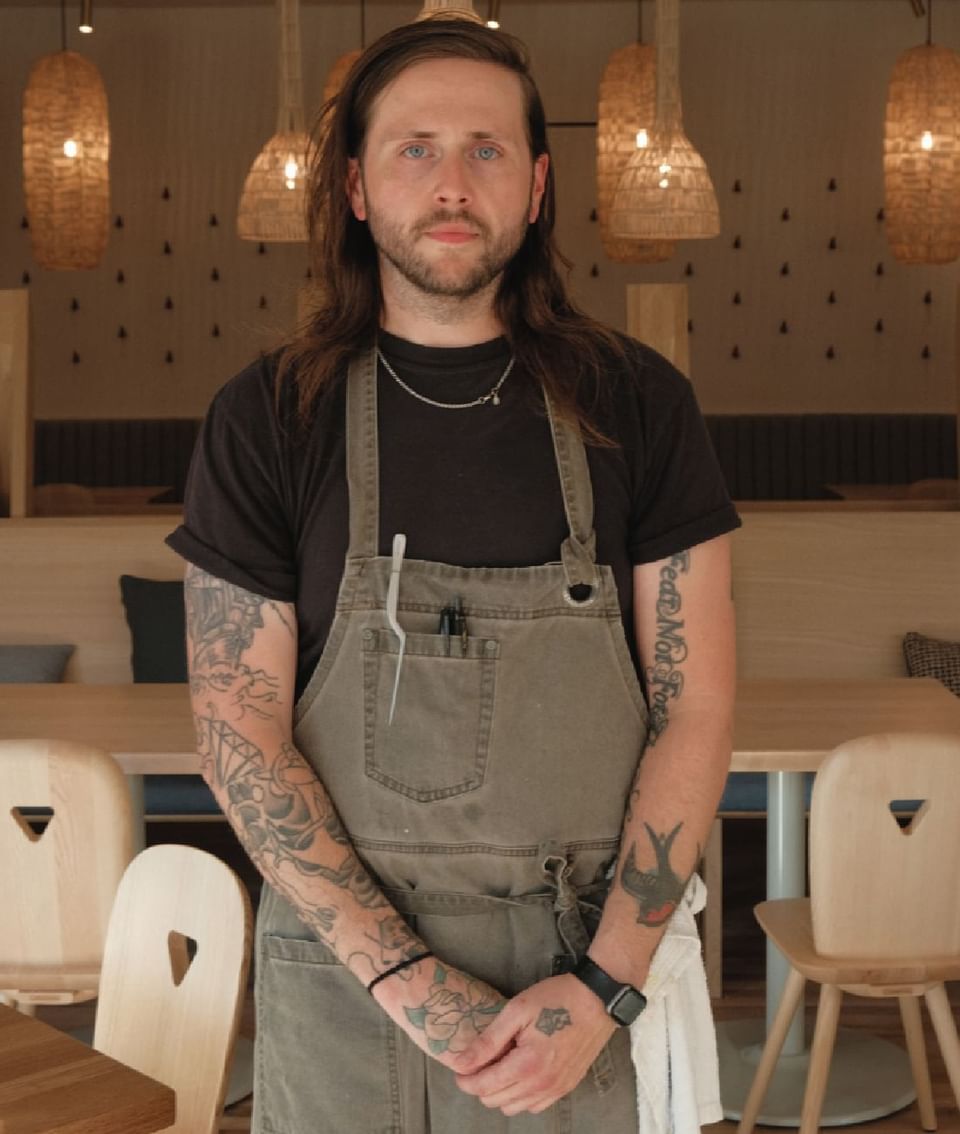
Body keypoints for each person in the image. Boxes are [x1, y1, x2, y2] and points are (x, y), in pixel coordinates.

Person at [167, 14, 739, 1132]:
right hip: (346, 980)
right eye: (413, 148)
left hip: (577, 987)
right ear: (358, 189)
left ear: (535, 186)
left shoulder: (640, 403)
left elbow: (697, 705)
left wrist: (606, 987)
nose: (450, 182)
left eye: (485, 150)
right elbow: (238, 723)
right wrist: (407, 981)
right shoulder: (271, 416)